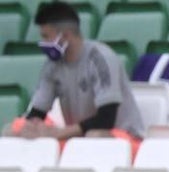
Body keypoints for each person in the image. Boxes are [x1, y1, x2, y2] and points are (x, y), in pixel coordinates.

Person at [3, 2, 145, 148]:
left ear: (65, 36)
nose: (43, 43)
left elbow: (106, 119)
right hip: (78, 137)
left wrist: (59, 133)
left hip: (122, 137)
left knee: (94, 137)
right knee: (12, 129)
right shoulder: (52, 65)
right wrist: (31, 127)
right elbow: (38, 111)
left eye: (46, 37)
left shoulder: (100, 58)